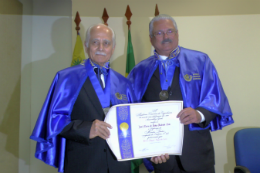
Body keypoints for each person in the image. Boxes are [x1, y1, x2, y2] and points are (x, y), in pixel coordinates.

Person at [128, 14, 234, 173]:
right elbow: (132, 111)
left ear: (177, 34)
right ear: (151, 39)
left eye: (170, 31)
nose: (165, 36)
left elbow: (215, 96)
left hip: (197, 156)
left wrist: (199, 114)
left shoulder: (200, 61)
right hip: (162, 158)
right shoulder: (139, 70)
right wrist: (148, 150)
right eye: (159, 33)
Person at [30, 24, 135, 173]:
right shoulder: (66, 78)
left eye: (106, 43)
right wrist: (87, 129)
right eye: (95, 42)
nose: (100, 47)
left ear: (113, 47)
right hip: (82, 164)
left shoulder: (124, 83)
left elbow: (134, 124)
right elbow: (53, 121)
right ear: (86, 46)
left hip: (119, 166)